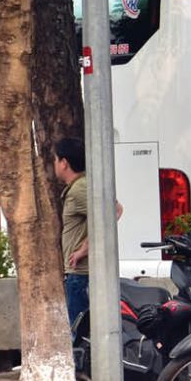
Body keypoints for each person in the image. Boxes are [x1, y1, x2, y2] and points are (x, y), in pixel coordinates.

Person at [53, 137, 123, 331]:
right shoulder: (81, 186)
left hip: (80, 275)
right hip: (80, 275)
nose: (54, 164)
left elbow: (113, 212)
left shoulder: (80, 189)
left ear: (64, 163)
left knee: (79, 334)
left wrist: (84, 249)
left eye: (55, 160)